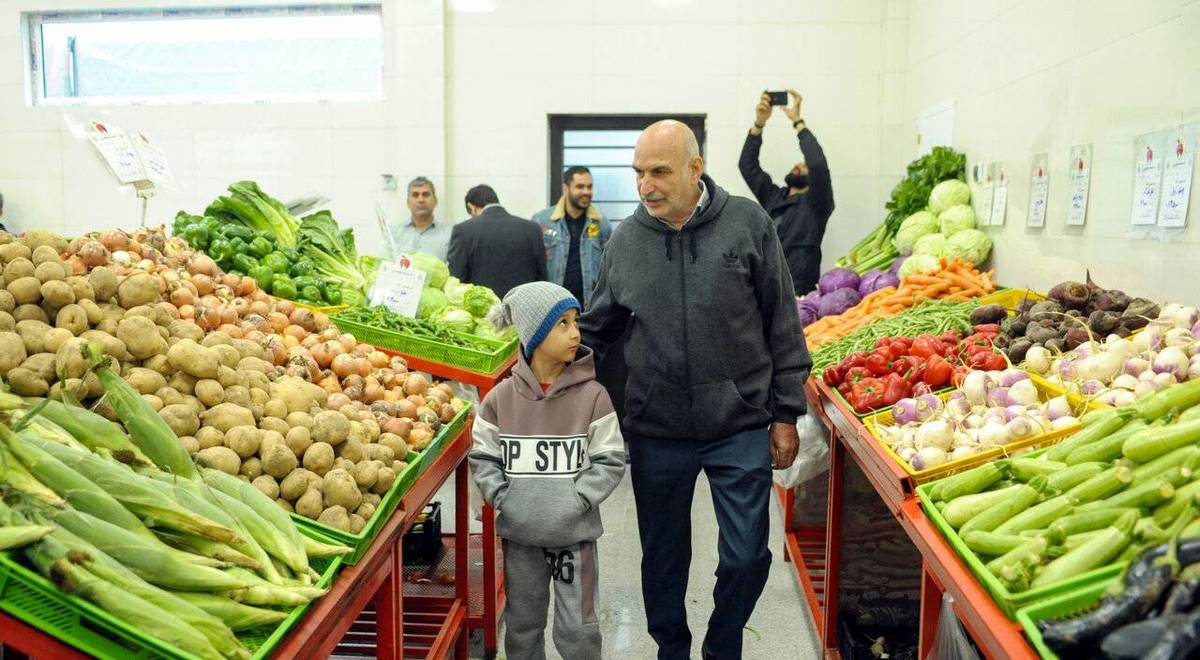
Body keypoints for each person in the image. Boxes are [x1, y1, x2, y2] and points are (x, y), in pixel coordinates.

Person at [581, 120, 811, 660]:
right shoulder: (627, 239)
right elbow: (597, 328)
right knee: (662, 558)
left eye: (659, 171)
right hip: (657, 427)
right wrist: (538, 368)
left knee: (748, 555)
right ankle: (672, 648)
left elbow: (783, 321)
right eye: (638, 173)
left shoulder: (747, 223)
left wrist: (786, 413)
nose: (646, 185)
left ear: (695, 169)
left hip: (740, 422)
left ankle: (723, 643)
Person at [469, 281, 626, 660]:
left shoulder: (594, 396)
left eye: (576, 321)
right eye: (563, 324)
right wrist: (506, 498)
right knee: (523, 624)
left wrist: (578, 499)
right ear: (534, 334)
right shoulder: (500, 400)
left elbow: (610, 458)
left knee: (579, 627)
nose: (576, 332)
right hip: (521, 538)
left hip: (575, 537)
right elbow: (484, 457)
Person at [739, 90, 834, 295]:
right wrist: (759, 123)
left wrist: (798, 122)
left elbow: (817, 163)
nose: (799, 165)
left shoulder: (817, 204)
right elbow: (747, 166)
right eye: (798, 164)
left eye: (804, 166)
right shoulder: (774, 197)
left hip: (796, 292)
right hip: (762, 286)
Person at [447, 184, 548, 298]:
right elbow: (542, 278)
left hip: (483, 311)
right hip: (523, 309)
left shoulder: (463, 230)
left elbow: (456, 279)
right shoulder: (532, 229)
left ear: (472, 207)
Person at [532, 166, 613, 307]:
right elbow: (532, 267)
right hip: (552, 308)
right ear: (565, 188)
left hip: (589, 308)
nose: (586, 192)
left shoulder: (602, 224)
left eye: (589, 187)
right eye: (580, 187)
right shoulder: (541, 221)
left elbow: (610, 269)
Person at [386, 176, 450, 261]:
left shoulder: (449, 235)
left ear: (435, 201)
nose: (421, 200)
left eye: (426, 194)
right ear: (408, 202)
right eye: (415, 195)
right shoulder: (394, 234)